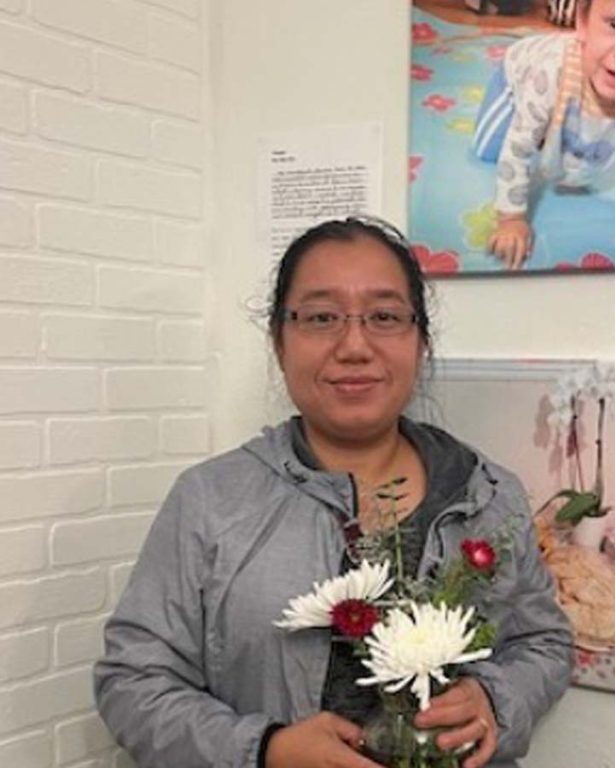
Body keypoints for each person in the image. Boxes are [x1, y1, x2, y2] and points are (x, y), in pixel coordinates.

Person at [94, 217, 574, 768]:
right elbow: (131, 682)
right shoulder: (210, 500)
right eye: (321, 317)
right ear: (279, 340)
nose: (354, 345)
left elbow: (543, 643)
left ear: (420, 341)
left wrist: (495, 698)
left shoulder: (487, 495)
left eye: (385, 317)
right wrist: (264, 750)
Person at [473, 0, 615, 269]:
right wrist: (511, 219)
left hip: (557, 95)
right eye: (614, 24)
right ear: (583, 21)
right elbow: (518, 148)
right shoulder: (549, 74)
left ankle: (548, 123)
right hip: (517, 76)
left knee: (566, 138)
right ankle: (541, 121)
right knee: (488, 151)